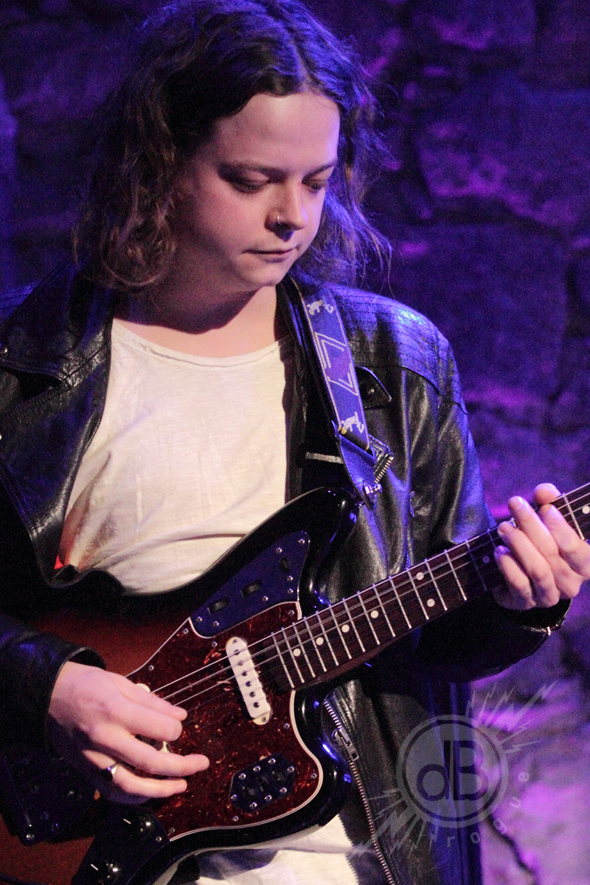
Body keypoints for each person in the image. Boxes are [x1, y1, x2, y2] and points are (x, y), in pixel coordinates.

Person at [0, 1, 589, 884]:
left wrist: (520, 600)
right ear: (159, 161)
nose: (292, 216)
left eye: (316, 182)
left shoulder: (397, 362)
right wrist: (42, 681)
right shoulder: (21, 363)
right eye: (252, 179)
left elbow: (437, 640)